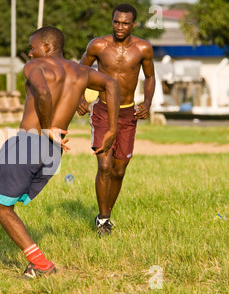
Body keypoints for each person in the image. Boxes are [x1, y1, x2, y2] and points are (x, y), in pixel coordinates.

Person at [0, 26, 120, 278]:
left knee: (0, 207)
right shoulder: (82, 72)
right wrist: (112, 129)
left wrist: (48, 127)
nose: (30, 53)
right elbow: (112, 84)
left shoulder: (36, 66)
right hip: (52, 153)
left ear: (47, 48)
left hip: (30, 143)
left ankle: (40, 264)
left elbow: (42, 91)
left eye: (33, 47)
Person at [77, 3, 156, 236]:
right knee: (104, 166)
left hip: (128, 113)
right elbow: (79, 71)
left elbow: (150, 77)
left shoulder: (143, 48)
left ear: (133, 24)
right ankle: (103, 220)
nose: (119, 27)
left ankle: (106, 213)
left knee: (119, 171)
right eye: (116, 22)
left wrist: (148, 103)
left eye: (124, 23)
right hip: (102, 111)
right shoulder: (98, 45)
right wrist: (79, 98)